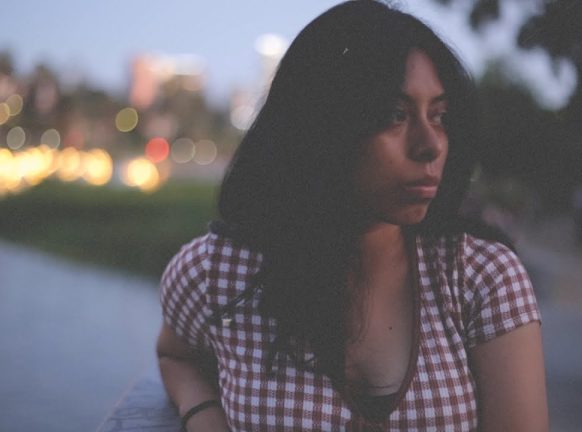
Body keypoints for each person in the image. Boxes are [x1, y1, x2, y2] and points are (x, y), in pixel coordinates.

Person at [156, 1, 548, 430]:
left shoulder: (480, 277)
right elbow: (174, 353)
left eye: (439, 116)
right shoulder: (220, 270)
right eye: (395, 116)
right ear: (323, 127)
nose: (431, 145)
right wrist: (203, 414)